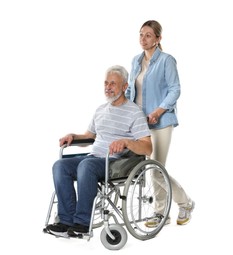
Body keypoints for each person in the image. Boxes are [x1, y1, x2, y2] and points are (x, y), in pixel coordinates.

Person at [46, 65, 152, 238]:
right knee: (60, 166)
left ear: (125, 86)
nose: (108, 87)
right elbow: (89, 136)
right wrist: (73, 136)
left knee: (86, 166)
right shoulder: (100, 110)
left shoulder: (135, 113)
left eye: (113, 84)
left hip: (116, 162)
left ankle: (82, 223)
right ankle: (66, 221)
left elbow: (147, 147)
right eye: (106, 83)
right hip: (93, 157)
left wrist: (126, 142)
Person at [125, 20, 194, 226]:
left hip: (161, 121)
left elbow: (175, 89)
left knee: (155, 168)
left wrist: (158, 111)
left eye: (148, 35)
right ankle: (175, 207)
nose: (143, 39)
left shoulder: (166, 61)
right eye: (140, 34)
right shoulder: (136, 61)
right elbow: (130, 91)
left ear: (158, 39)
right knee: (148, 168)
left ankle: (169, 209)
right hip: (139, 123)